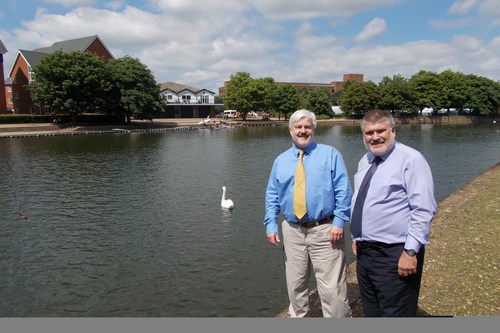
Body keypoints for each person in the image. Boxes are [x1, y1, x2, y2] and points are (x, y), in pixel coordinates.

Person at [264, 109, 352, 317]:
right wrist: (271, 224)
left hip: (326, 230)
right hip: (293, 231)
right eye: (298, 127)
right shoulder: (281, 161)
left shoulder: (330, 155)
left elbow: (344, 191)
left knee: (333, 289)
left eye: (307, 127)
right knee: (295, 286)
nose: (303, 131)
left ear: (314, 129)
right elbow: (272, 195)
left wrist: (339, 221)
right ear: (290, 130)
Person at [350, 110, 437, 317]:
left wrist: (411, 252)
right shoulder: (366, 160)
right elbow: (363, 200)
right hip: (365, 253)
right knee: (372, 311)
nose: (375, 136)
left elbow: (423, 209)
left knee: (396, 312)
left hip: (395, 252)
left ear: (393, 131)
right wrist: (357, 235)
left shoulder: (411, 160)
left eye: (381, 130)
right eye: (369, 132)